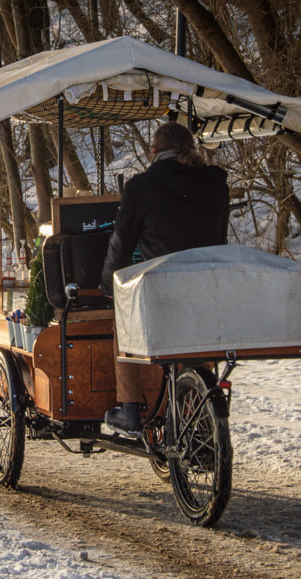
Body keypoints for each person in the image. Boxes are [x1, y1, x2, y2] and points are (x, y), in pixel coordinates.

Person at [100, 121, 230, 434]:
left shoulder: (142, 186)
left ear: (154, 151)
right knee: (198, 339)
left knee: (125, 322)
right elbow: (219, 236)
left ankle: (130, 409)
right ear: (191, 148)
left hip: (160, 294)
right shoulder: (216, 184)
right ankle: (200, 414)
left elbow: (121, 244)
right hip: (207, 288)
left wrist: (109, 283)